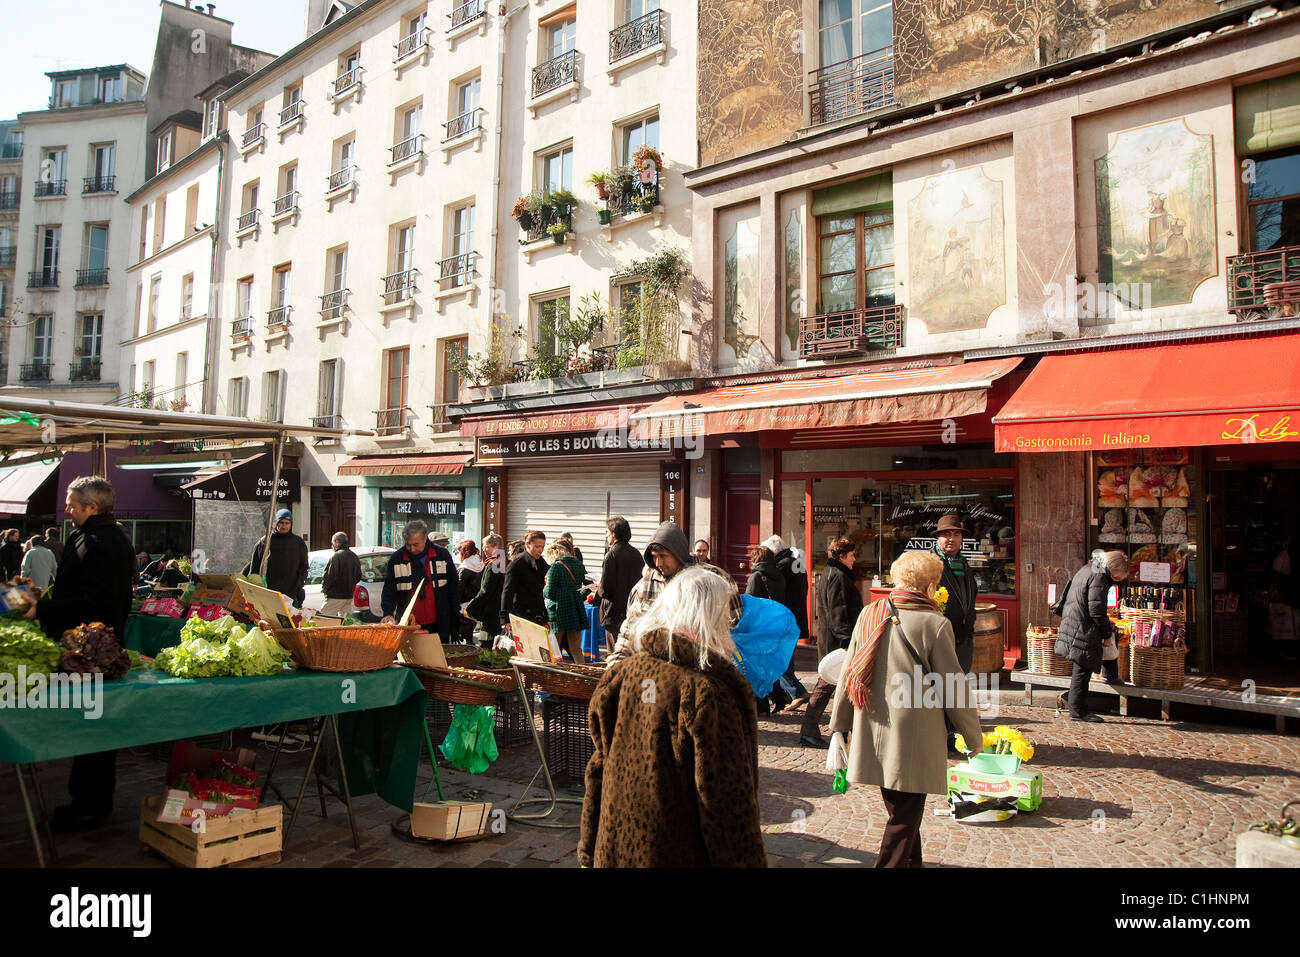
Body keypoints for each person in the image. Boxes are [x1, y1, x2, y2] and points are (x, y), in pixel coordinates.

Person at [579, 567, 767, 868]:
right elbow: (726, 807)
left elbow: (597, 772)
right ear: (712, 616)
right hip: (677, 853)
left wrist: (589, 850)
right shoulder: (707, 692)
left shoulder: (621, 675)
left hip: (615, 850)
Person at [828, 550, 983, 867]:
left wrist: (839, 727)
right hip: (914, 738)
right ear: (929, 585)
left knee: (902, 812)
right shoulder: (935, 624)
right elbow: (953, 687)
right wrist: (973, 736)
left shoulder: (870, 614)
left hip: (873, 729)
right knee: (903, 819)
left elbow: (848, 675)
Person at [25, 476, 135, 831]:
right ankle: (86, 801)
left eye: (73, 505)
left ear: (93, 507)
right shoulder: (94, 536)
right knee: (92, 727)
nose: (67, 509)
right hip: (90, 646)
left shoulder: (100, 542)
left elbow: (93, 603)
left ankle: (90, 806)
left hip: (93, 651)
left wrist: (40, 611)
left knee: (95, 728)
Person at [608, 521, 741, 664]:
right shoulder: (645, 585)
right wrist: (616, 662)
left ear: (678, 553)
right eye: (654, 556)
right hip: (658, 671)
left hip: (705, 667)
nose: (658, 563)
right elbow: (630, 630)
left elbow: (736, 622)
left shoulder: (713, 579)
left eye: (663, 556)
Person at [800, 537, 862, 748]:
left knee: (831, 685)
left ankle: (842, 729)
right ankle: (809, 730)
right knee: (825, 685)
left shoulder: (832, 573)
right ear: (842, 556)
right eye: (852, 555)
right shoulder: (838, 576)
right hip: (837, 642)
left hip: (832, 640)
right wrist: (846, 643)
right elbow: (840, 611)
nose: (855, 559)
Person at [1055, 550, 1129, 722]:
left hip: (1075, 620)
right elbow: (1096, 609)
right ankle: (1078, 711)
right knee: (1082, 668)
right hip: (1083, 625)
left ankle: (1110, 676)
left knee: (1082, 666)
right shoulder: (1100, 577)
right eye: (1118, 576)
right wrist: (1106, 633)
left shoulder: (1089, 568)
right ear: (1114, 569)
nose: (1118, 579)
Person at [380, 520, 460, 639]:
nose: (412, 549)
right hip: (408, 624)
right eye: (408, 544)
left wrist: (454, 621)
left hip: (438, 622)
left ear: (425, 539)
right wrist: (388, 613)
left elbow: (453, 588)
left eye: (416, 544)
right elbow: (389, 591)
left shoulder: (441, 555)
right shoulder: (397, 559)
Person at [766, 534, 811, 713]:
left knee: (779, 659)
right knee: (787, 658)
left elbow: (779, 593)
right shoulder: (796, 563)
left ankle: (797, 692)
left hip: (785, 618)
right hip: (797, 615)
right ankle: (789, 694)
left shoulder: (781, 566)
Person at [933, 513, 978, 673]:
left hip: (963, 640)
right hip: (938, 641)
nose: (951, 539)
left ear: (961, 539)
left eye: (956, 534)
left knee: (957, 688)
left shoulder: (963, 563)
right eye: (946, 534)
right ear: (938, 538)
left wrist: (969, 632)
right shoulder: (929, 565)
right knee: (937, 691)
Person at [597, 516, 644, 655]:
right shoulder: (636, 554)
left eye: (607, 532)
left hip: (614, 613)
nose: (606, 536)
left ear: (614, 533)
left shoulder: (611, 555)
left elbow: (606, 590)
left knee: (615, 654)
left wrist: (598, 588)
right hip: (632, 611)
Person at [245, 509, 310, 608]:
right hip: (268, 593)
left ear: (291, 524)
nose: (284, 526)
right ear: (276, 523)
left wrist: (298, 585)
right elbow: (254, 568)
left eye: (287, 523)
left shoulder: (298, 543)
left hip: (291, 595)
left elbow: (304, 567)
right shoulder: (265, 542)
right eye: (281, 523)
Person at [544, 541, 588, 659]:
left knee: (554, 650)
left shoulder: (555, 567)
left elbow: (550, 593)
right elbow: (589, 585)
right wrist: (579, 596)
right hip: (575, 610)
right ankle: (581, 675)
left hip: (558, 612)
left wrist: (544, 590)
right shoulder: (578, 564)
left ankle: (554, 675)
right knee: (576, 649)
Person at [500, 530, 548, 631]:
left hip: (537, 616)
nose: (540, 550)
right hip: (520, 615)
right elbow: (507, 592)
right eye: (537, 546)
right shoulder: (517, 564)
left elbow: (539, 594)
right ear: (527, 545)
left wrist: (545, 618)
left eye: (542, 547)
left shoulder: (541, 564)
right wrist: (505, 619)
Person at [466, 535, 506, 638]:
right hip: (503, 610)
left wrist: (471, 607)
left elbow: (486, 591)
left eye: (486, 546)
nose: (483, 550)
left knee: (487, 643)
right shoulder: (504, 562)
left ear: (496, 547)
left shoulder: (494, 565)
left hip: (491, 613)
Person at [320, 532, 363, 617]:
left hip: (335, 596)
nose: (332, 545)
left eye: (332, 543)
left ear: (336, 542)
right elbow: (358, 576)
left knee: (323, 620)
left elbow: (329, 577)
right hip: (349, 595)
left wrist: (326, 591)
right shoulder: (354, 556)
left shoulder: (336, 556)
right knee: (346, 623)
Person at [457, 539, 485, 605]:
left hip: (465, 604)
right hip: (478, 603)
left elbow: (459, 590)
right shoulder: (481, 564)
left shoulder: (465, 568)